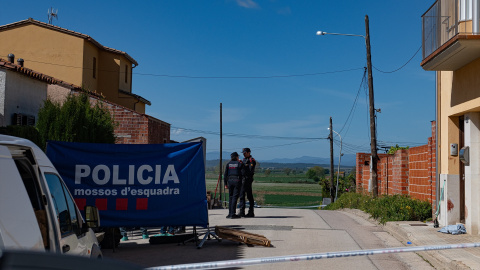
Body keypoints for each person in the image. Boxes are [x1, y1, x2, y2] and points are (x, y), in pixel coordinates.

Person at [224, 152, 244, 219]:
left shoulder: (228, 164)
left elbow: (225, 175)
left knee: (230, 197)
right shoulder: (239, 164)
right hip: (237, 181)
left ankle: (229, 214)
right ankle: (233, 214)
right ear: (236, 157)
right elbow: (243, 173)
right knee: (235, 197)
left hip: (230, 181)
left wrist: (225, 184)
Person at [238, 148, 256, 217]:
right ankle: (242, 211)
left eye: (245, 153)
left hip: (248, 179)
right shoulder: (244, 160)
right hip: (243, 179)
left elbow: (250, 170)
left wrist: (243, 165)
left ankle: (251, 211)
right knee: (242, 195)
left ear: (249, 153)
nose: (244, 154)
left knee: (249, 196)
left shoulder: (252, 160)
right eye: (243, 153)